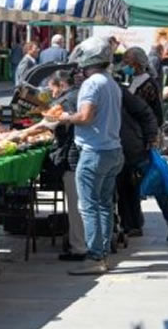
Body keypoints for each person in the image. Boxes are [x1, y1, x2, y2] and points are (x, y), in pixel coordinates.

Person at [56, 37, 124, 275]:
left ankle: (95, 257)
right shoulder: (110, 82)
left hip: (94, 151)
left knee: (88, 206)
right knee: (104, 205)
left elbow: (85, 117)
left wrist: (64, 118)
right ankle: (103, 254)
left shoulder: (92, 83)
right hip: (113, 150)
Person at [124, 46, 168, 241]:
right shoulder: (134, 82)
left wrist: (150, 138)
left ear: (136, 64)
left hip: (142, 141)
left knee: (153, 179)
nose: (124, 65)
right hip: (134, 139)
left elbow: (154, 115)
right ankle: (135, 223)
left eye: (127, 61)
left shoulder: (148, 85)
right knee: (134, 181)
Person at [44, 70, 86, 261]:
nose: (52, 94)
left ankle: (79, 247)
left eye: (52, 89)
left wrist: (21, 134)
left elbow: (48, 125)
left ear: (60, 85)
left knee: (76, 204)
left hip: (73, 156)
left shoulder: (66, 101)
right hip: (86, 154)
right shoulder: (78, 94)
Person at [116, 86, 159, 238]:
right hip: (121, 144)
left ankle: (132, 224)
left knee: (128, 186)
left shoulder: (120, 92)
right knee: (124, 187)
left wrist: (151, 136)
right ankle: (129, 223)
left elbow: (145, 113)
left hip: (128, 146)